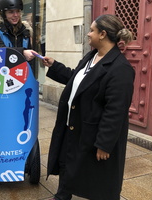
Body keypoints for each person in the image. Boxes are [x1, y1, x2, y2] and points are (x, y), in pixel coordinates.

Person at [43, 14, 135, 200]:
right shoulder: (92, 56)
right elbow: (76, 80)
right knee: (67, 161)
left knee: (100, 177)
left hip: (95, 132)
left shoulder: (120, 69)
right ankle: (62, 195)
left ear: (102, 34)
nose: (88, 34)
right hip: (76, 124)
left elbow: (115, 111)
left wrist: (104, 144)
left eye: (92, 30)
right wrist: (55, 66)